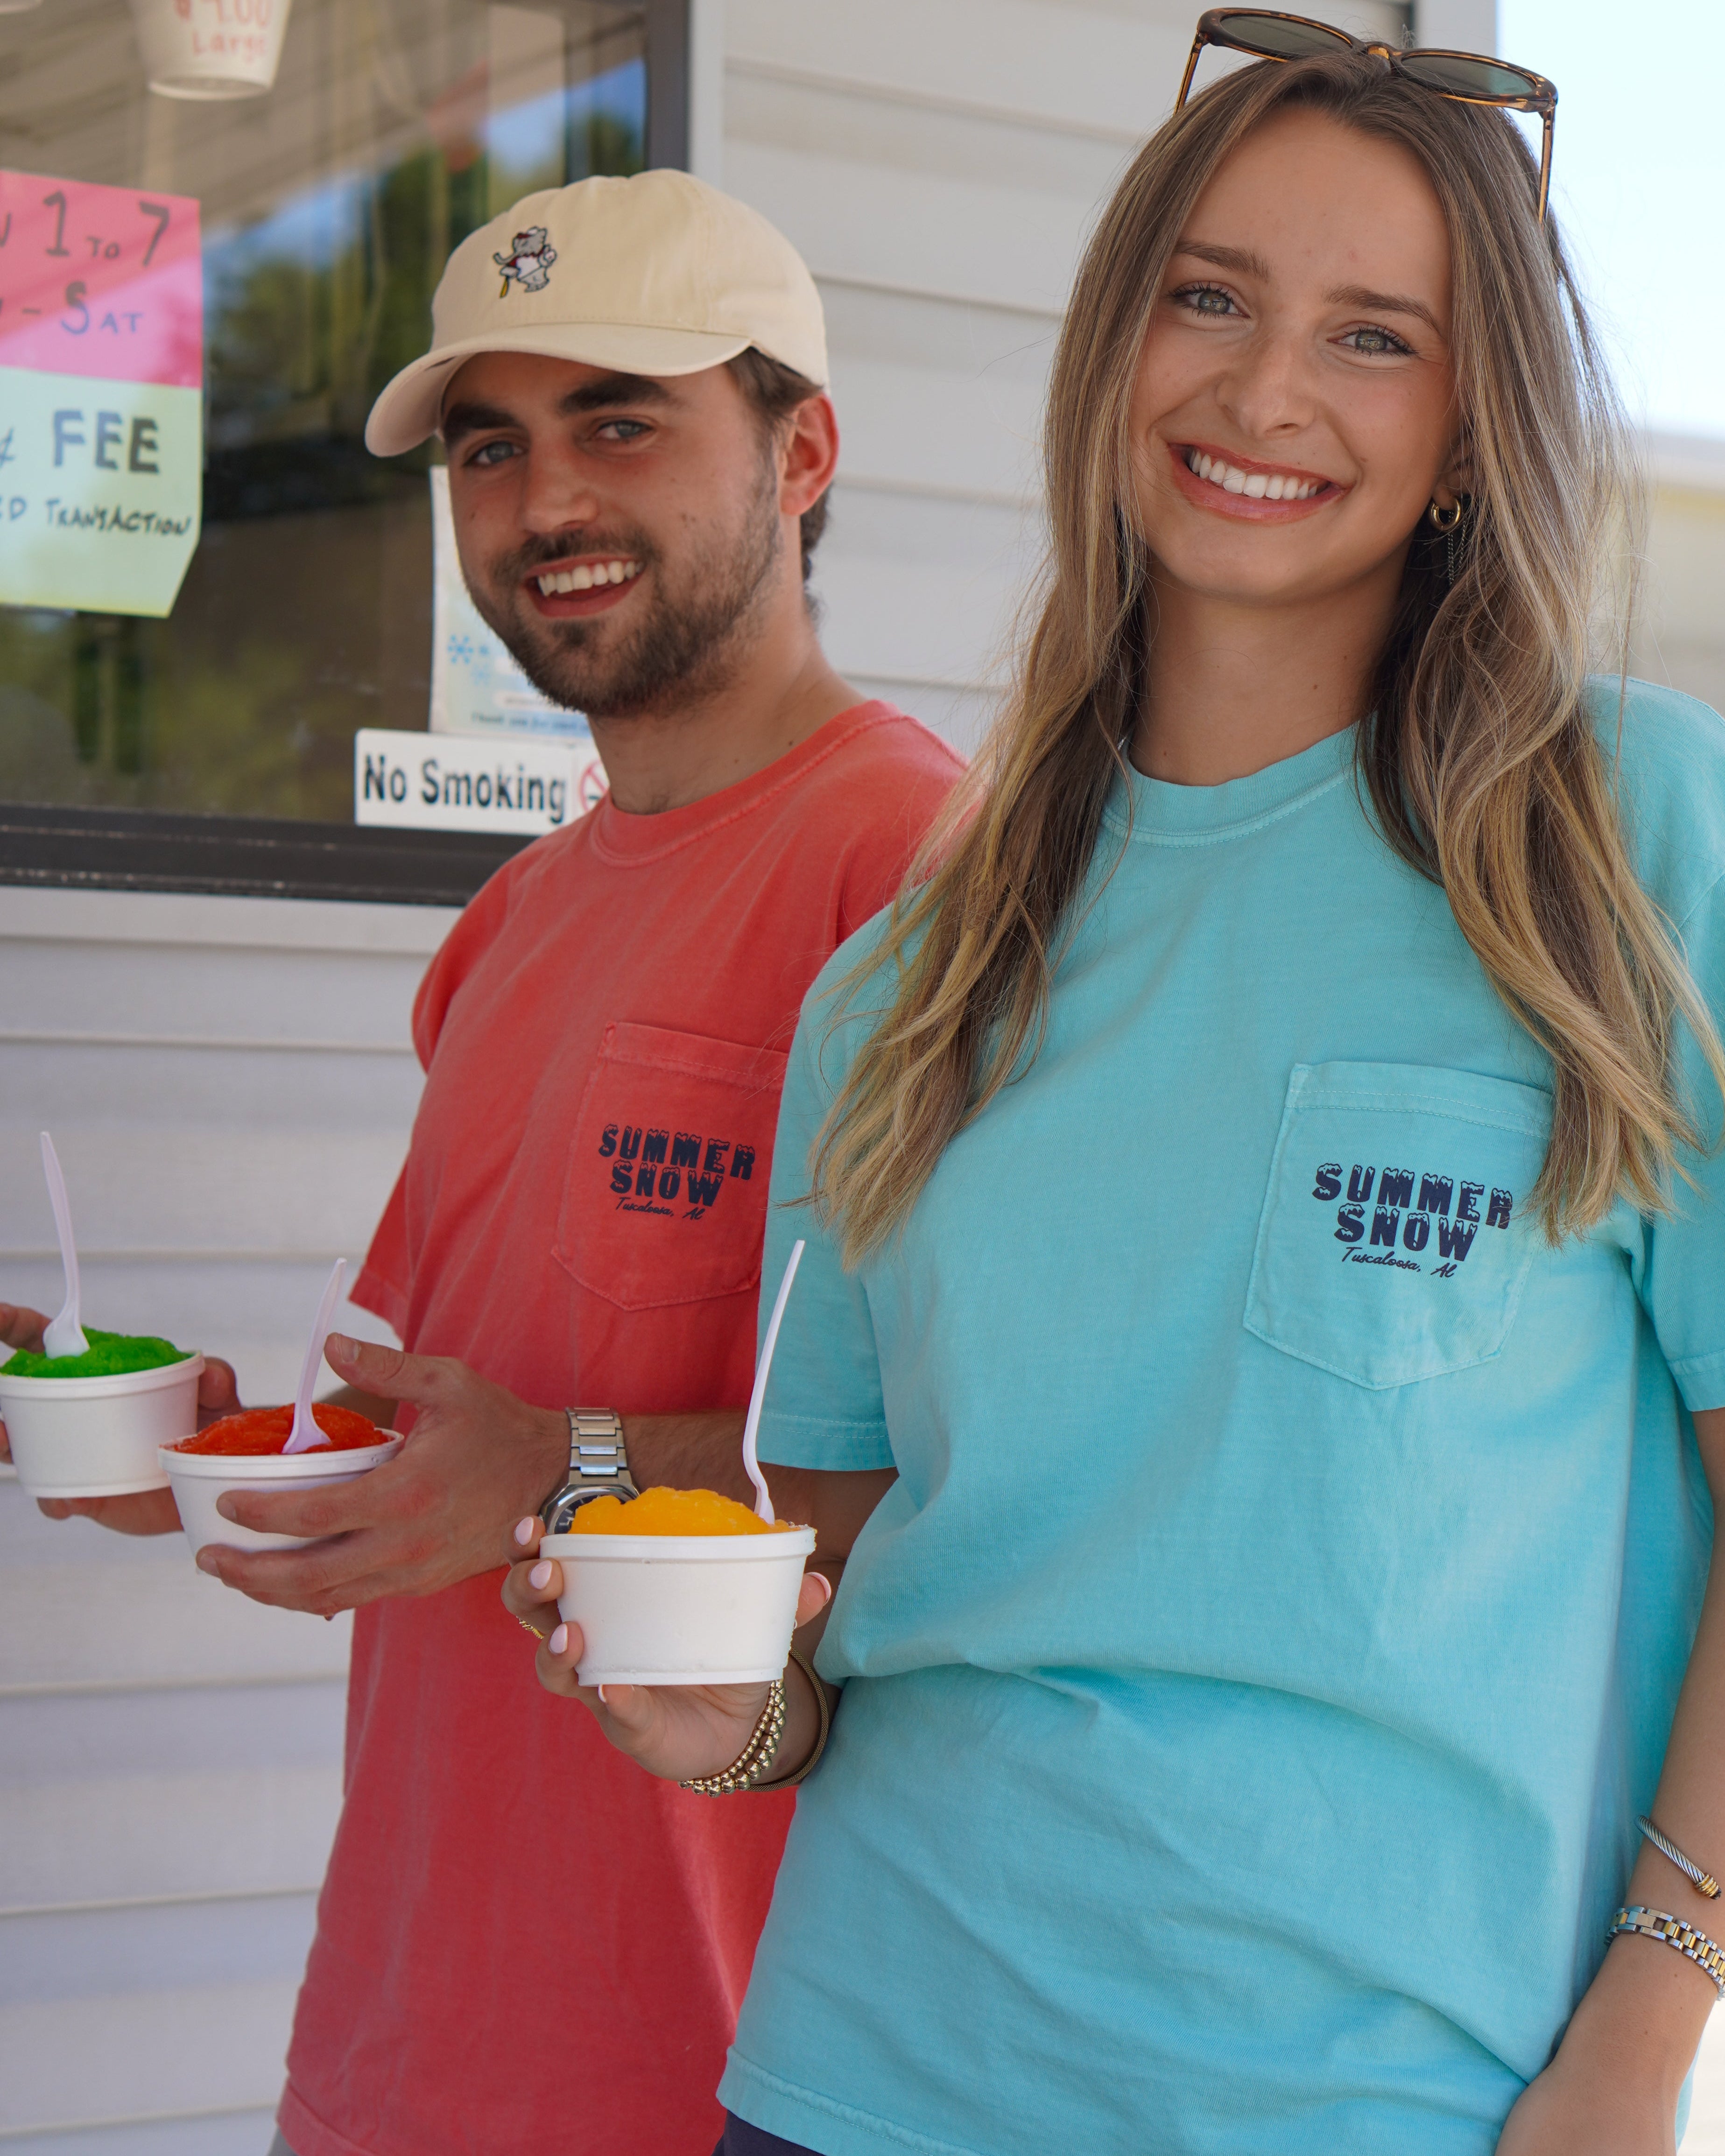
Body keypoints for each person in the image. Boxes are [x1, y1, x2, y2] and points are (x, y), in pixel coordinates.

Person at [506, 35, 1725, 2156]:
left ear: (1465, 429)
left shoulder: (1627, 838)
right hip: (852, 2083)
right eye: (1211, 297)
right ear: (1113, 347)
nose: (1265, 395)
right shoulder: (906, 979)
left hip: (1393, 2106)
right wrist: (711, 1710)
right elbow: (841, 1611)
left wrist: (1651, 2033)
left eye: (1375, 336)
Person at [1, 170, 959, 2156]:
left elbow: (1004, 1476)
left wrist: (570, 1468)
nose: (542, 506)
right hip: (402, 2052)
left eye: (621, 419)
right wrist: (179, 1434)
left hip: (728, 2076)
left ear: (806, 453)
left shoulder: (926, 878)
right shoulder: (509, 924)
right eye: (487, 447)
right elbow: (454, 1441)